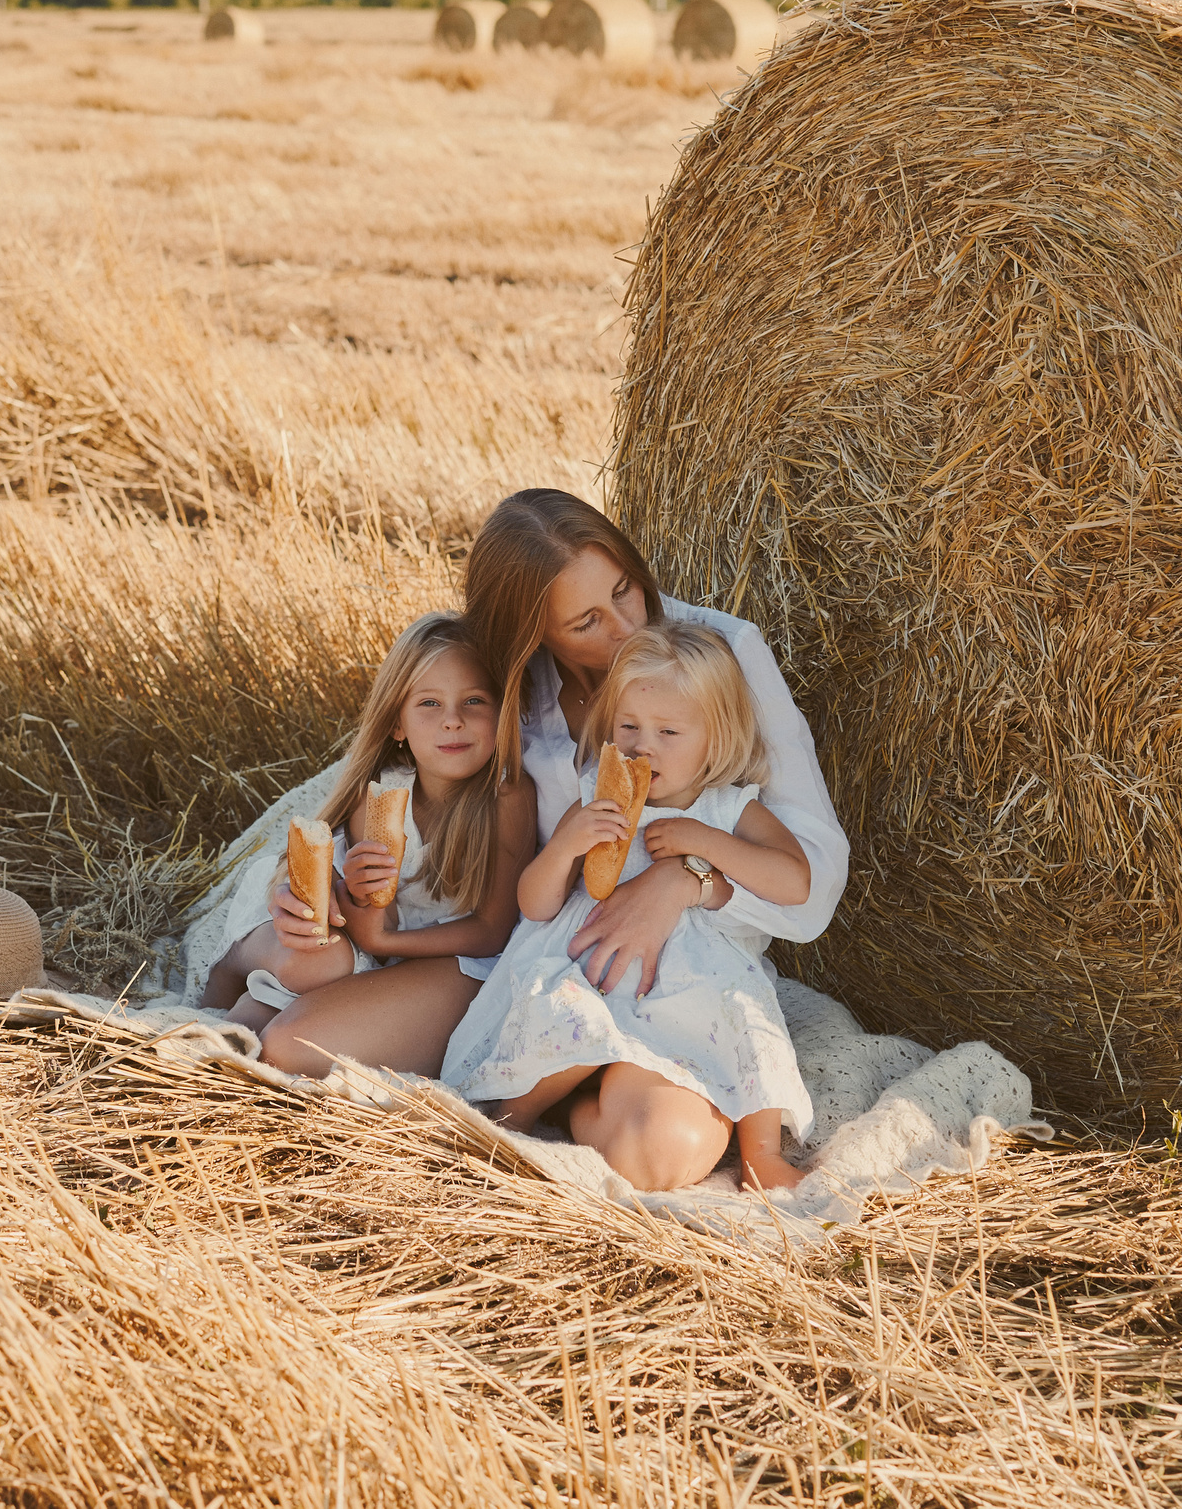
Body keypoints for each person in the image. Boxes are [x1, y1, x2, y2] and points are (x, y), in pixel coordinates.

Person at [256, 488, 848, 1104]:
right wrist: (307, 882)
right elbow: (387, 772)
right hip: (519, 950)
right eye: (585, 622)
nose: (628, 628)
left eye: (623, 589)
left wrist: (684, 878)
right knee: (292, 1047)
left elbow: (816, 874)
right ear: (532, 636)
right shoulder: (501, 676)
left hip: (681, 959)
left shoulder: (720, 652)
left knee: (649, 1135)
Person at [443, 620, 813, 1192]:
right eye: (629, 726)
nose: (644, 745)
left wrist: (706, 842)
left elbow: (794, 881)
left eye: (669, 730)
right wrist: (567, 843)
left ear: (715, 739)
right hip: (594, 973)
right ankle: (521, 1114)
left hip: (690, 994)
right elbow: (534, 905)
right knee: (542, 1046)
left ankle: (760, 1154)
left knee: (747, 1026)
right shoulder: (597, 796)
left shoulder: (726, 808)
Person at [198, 614, 533, 1038]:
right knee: (311, 968)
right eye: (429, 703)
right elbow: (361, 911)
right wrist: (355, 891)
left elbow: (491, 930)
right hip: (347, 945)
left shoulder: (509, 799)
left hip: (405, 953)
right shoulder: (377, 797)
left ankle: (251, 1008)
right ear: (397, 723)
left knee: (266, 1030)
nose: (453, 720)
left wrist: (384, 941)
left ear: (502, 712)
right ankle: (231, 966)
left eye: (475, 701)